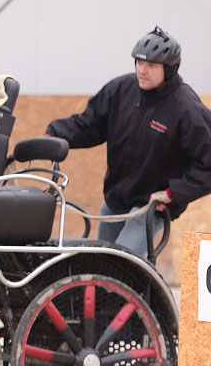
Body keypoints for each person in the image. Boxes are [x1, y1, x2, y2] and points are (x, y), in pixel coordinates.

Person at [46, 26, 211, 258]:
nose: (142, 71)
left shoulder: (186, 108)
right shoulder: (121, 90)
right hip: (115, 201)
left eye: (152, 65)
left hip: (150, 206)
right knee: (102, 265)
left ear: (170, 70)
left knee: (123, 263)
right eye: (139, 63)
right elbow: (88, 125)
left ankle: (147, 294)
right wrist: (52, 136)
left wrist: (173, 194)